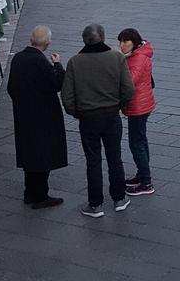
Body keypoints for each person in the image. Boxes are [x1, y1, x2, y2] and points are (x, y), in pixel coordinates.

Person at [61, 23, 135, 218]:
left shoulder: (75, 62)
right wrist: (119, 105)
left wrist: (77, 112)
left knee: (93, 161)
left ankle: (95, 204)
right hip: (111, 115)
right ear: (103, 37)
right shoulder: (116, 57)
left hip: (88, 118)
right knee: (114, 157)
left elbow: (67, 96)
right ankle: (119, 198)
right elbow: (128, 89)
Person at [7, 26, 67, 209]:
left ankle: (29, 192)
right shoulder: (41, 62)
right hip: (42, 116)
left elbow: (11, 87)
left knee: (29, 153)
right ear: (47, 44)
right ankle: (40, 195)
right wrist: (57, 64)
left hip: (23, 114)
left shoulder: (18, 58)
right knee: (43, 154)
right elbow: (58, 83)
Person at [117, 28, 156, 196]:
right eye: (120, 42)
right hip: (142, 104)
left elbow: (130, 81)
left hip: (138, 106)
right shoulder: (137, 55)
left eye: (125, 42)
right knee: (140, 140)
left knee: (136, 144)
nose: (122, 45)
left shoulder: (138, 59)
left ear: (134, 42)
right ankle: (142, 175)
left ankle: (146, 182)